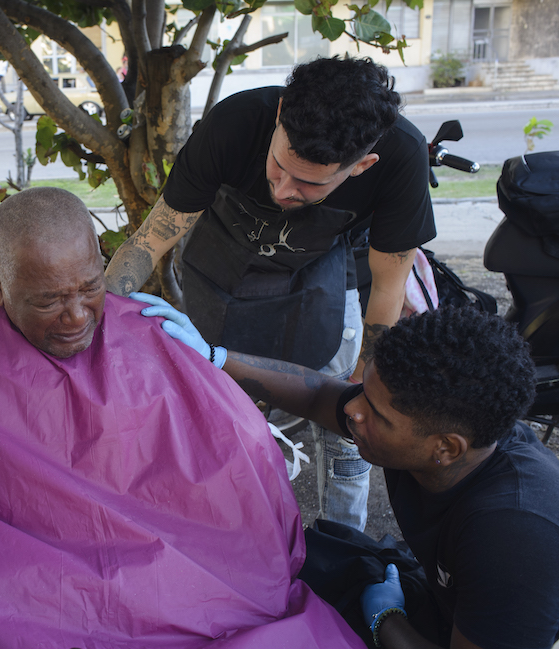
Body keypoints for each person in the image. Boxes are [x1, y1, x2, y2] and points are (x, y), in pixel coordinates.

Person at [0, 187, 364, 648]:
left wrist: (209, 359)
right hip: (36, 596)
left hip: (188, 582)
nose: (76, 316)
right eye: (48, 300)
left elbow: (242, 460)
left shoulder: (154, 338)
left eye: (89, 287)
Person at [105, 55, 436, 532]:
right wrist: (100, 311)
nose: (283, 189)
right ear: (280, 114)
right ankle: (216, 531)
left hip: (324, 267)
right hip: (220, 262)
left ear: (362, 166)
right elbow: (150, 239)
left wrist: (364, 389)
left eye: (309, 183)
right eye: (279, 165)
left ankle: (347, 543)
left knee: (350, 418)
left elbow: (387, 287)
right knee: (212, 404)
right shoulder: (235, 124)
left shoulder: (402, 156)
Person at [134, 295, 559, 649]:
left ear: (445, 448)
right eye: (364, 392)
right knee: (272, 563)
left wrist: (387, 620)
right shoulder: (431, 426)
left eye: (375, 412)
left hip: (476, 626)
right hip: (444, 594)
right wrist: (211, 355)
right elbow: (320, 394)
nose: (353, 411)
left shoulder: (515, 535)